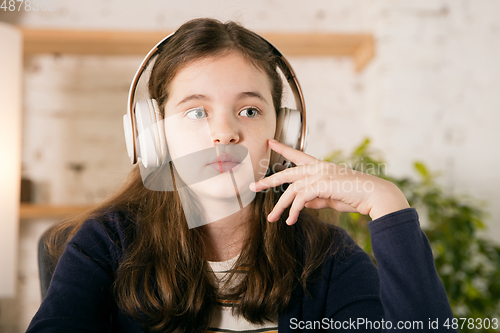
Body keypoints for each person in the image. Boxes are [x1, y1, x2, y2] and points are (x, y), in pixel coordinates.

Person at [26, 18, 457, 333]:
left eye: (249, 110)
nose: (225, 133)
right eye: (196, 111)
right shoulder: (106, 242)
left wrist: (389, 206)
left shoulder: (326, 257)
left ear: (282, 131)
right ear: (154, 136)